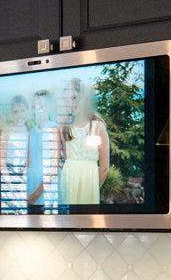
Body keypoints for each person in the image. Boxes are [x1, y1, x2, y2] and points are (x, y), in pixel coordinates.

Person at [59, 77, 109, 206]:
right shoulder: (65, 128)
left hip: (89, 187)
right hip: (68, 182)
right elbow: (64, 158)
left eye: (74, 98)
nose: (71, 103)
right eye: (67, 100)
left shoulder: (97, 127)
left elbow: (104, 168)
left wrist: (91, 190)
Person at [26, 89, 63, 211]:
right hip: (31, 183)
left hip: (45, 188)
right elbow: (28, 162)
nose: (36, 110)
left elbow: (53, 168)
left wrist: (36, 195)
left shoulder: (52, 129)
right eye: (34, 106)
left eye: (40, 106)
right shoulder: (32, 131)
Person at [0, 94, 29, 213]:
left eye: (22, 110)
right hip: (9, 176)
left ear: (27, 111)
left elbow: (28, 158)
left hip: (23, 176)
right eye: (16, 112)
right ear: (11, 113)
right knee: (9, 213)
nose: (19, 115)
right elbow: (2, 162)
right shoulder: (6, 131)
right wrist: (9, 184)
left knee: (22, 213)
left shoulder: (28, 130)